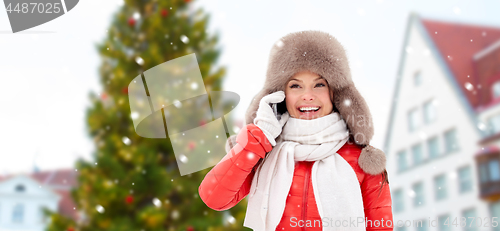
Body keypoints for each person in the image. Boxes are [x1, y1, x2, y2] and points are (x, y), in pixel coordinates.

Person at [198, 30, 393, 231]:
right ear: (280, 95)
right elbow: (214, 198)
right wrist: (259, 138)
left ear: (334, 92)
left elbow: (381, 226)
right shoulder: (262, 152)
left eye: (319, 85)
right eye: (295, 86)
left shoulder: (362, 160)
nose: (307, 96)